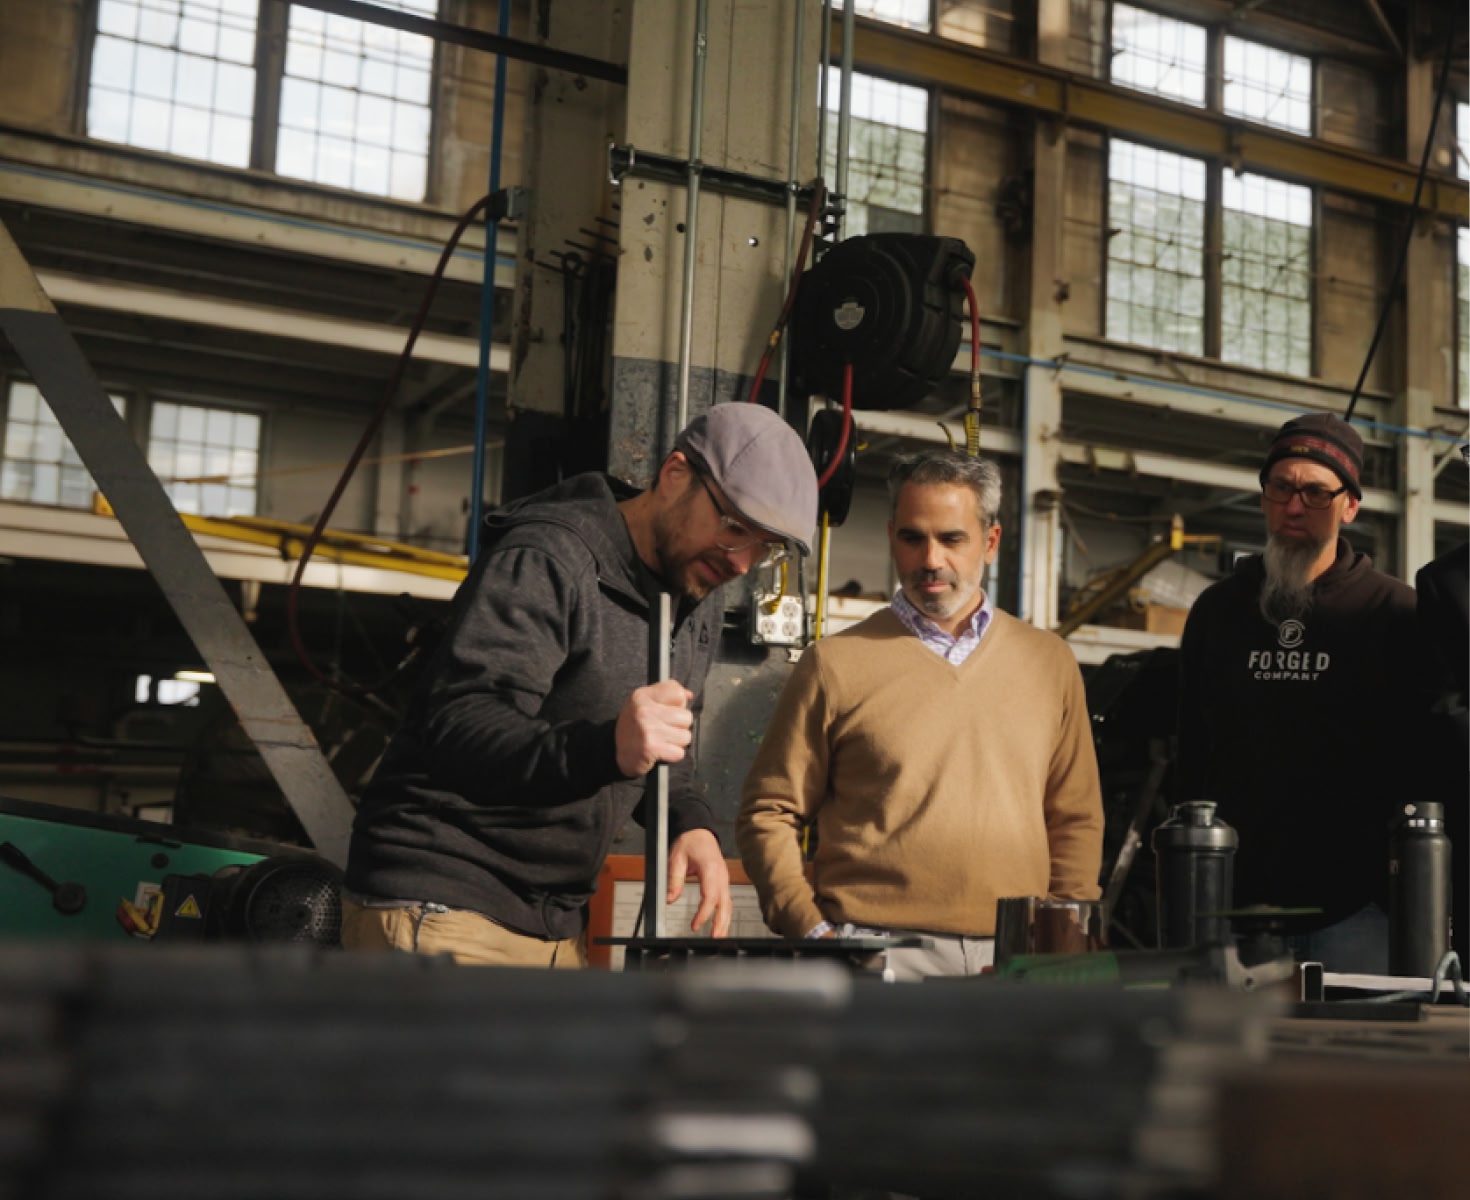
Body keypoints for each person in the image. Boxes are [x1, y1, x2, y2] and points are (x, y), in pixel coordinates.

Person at [342, 403, 818, 966]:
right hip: (447, 903)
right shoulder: (548, 559)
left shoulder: (693, 593)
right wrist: (605, 748)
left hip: (552, 922)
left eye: (764, 548)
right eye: (734, 528)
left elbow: (667, 749)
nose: (742, 563)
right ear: (674, 475)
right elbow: (460, 720)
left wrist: (688, 825)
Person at [737, 450, 1105, 981]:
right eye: (913, 538)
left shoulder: (1049, 663)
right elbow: (769, 810)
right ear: (892, 538)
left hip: (1016, 955)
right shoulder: (835, 663)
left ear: (991, 542)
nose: (931, 559)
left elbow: (1075, 816)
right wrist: (814, 932)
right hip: (874, 954)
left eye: (952, 539)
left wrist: (1064, 938)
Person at [1176, 412, 1422, 973]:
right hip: (1233, 912)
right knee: (1233, 1061)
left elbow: (1424, 760)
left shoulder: (1393, 612)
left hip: (1358, 914)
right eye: (1281, 487)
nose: (1294, 506)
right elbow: (1190, 755)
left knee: (1353, 1060)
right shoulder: (1219, 611)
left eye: (1315, 492)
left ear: (1349, 505)